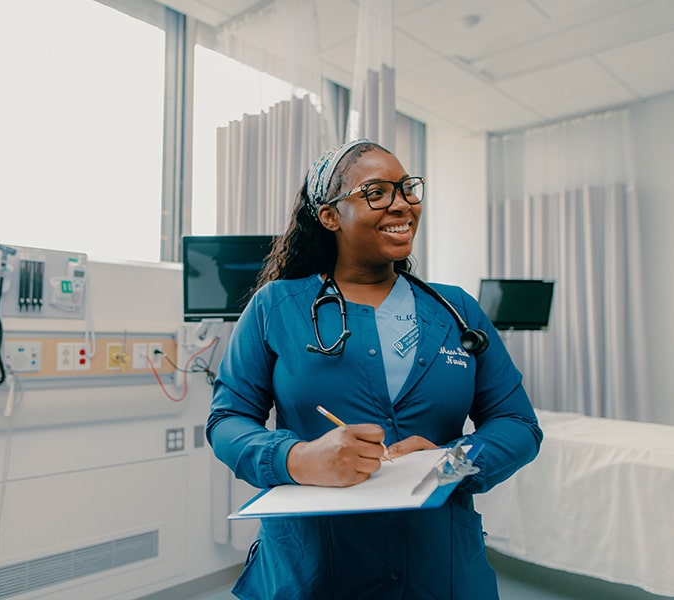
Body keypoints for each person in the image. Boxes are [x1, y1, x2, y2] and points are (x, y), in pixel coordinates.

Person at [206, 139, 543, 599]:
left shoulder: (455, 309)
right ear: (330, 216)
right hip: (316, 567)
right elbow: (227, 421)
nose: (401, 203)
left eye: (407, 188)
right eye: (377, 192)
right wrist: (298, 458)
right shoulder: (276, 307)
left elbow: (518, 424)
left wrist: (450, 465)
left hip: (437, 565)